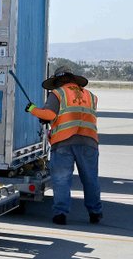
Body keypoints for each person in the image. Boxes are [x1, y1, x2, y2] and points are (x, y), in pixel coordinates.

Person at [27, 68, 102, 225]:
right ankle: (95, 212)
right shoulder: (90, 95)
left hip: (64, 142)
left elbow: (50, 115)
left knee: (62, 179)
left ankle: (61, 214)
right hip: (89, 141)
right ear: (73, 79)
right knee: (90, 179)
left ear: (58, 81)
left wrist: (33, 110)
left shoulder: (58, 94)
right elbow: (76, 114)